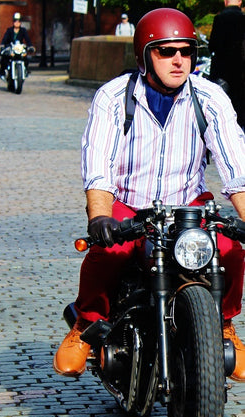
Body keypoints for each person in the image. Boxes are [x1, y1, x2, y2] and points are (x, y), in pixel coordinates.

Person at [53, 8, 245, 382]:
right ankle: (86, 325)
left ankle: (223, 326)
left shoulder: (209, 97)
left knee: (232, 249)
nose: (179, 60)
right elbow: (99, 165)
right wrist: (100, 218)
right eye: (166, 51)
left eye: (186, 51)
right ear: (144, 55)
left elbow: (236, 167)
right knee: (109, 251)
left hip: (187, 202)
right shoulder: (113, 97)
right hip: (128, 202)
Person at [209, 0, 245, 130]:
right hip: (240, 74)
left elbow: (212, 45)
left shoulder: (219, 18)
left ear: (225, 2)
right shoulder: (242, 19)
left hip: (222, 73)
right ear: (240, 2)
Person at [0, 12, 34, 80]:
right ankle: (3, 73)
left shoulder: (23, 30)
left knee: (25, 58)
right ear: (13, 22)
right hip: (11, 48)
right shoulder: (9, 30)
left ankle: (25, 70)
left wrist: (30, 46)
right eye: (15, 21)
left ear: (20, 22)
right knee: (4, 58)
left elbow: (27, 39)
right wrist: (3, 45)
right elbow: (5, 39)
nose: (17, 22)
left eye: (18, 21)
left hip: (19, 49)